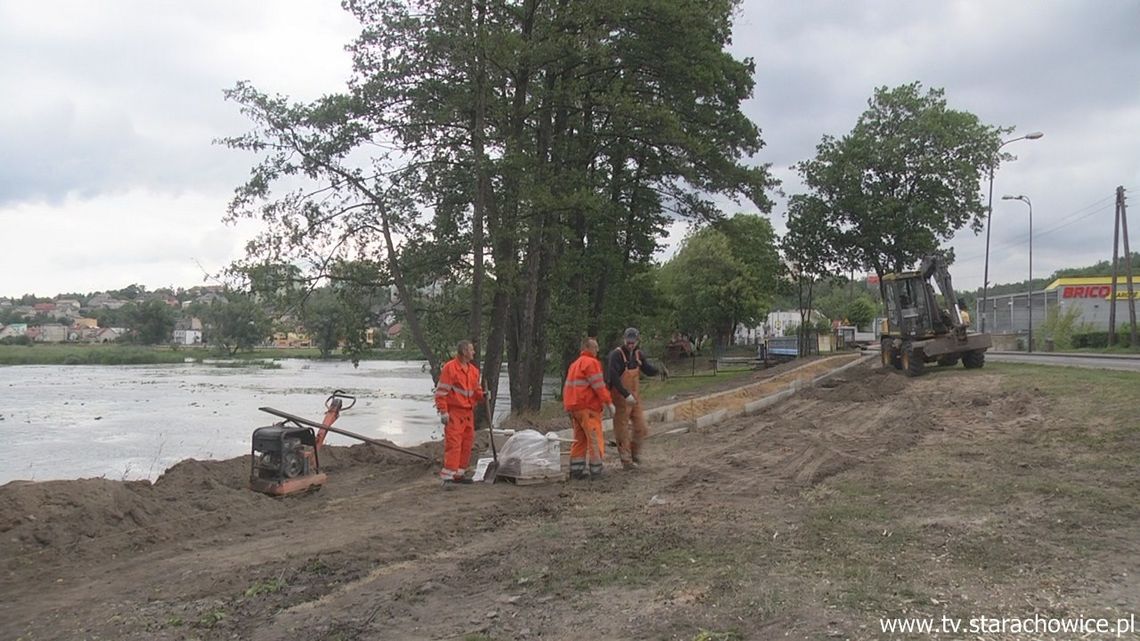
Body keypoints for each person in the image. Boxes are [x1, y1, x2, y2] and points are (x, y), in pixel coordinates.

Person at [606, 327, 667, 470]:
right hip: (621, 398)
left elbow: (646, 369)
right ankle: (626, 460)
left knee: (641, 428)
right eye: (628, 342)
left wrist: (659, 371)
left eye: (633, 342)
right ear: (624, 339)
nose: (630, 344)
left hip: (635, 398)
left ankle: (634, 453)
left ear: (637, 341)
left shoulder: (638, 355)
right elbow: (613, 377)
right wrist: (625, 394)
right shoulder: (616, 355)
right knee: (622, 431)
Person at [433, 340, 485, 487]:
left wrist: (483, 395)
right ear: (464, 352)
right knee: (454, 444)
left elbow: (476, 392)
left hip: (468, 413)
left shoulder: (473, 371)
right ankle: (448, 477)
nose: (474, 352)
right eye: (471, 350)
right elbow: (441, 392)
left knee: (467, 444)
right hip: (454, 412)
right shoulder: (450, 368)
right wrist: (443, 411)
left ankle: (459, 474)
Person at [563, 337, 615, 480]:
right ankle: (596, 471)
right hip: (588, 408)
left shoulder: (575, 365)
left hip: (574, 408)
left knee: (580, 440)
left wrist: (568, 406)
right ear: (587, 347)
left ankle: (576, 471)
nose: (597, 350)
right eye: (595, 347)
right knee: (594, 439)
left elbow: (568, 388)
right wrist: (609, 403)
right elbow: (599, 386)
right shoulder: (591, 363)